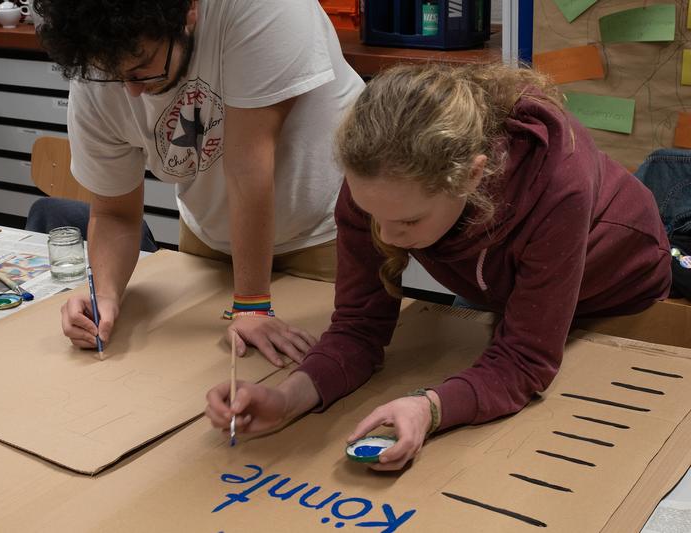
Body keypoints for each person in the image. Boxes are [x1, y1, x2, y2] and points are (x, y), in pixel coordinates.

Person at [205, 63, 672, 470]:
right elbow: (357, 327)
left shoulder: (558, 186)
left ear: (473, 175)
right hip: (504, 279)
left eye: (408, 220)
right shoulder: (377, 187)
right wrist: (289, 398)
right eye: (374, 216)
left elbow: (526, 360)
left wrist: (428, 409)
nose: (386, 236)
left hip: (621, 291)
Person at [34, 0, 364, 366]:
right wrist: (106, 295)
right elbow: (114, 214)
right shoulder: (97, 68)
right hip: (216, 235)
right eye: (114, 74)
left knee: (333, 375)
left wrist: (252, 305)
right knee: (202, 372)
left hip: (327, 225)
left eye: (143, 67)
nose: (131, 91)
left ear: (188, 12)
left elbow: (246, 167)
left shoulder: (262, 8)